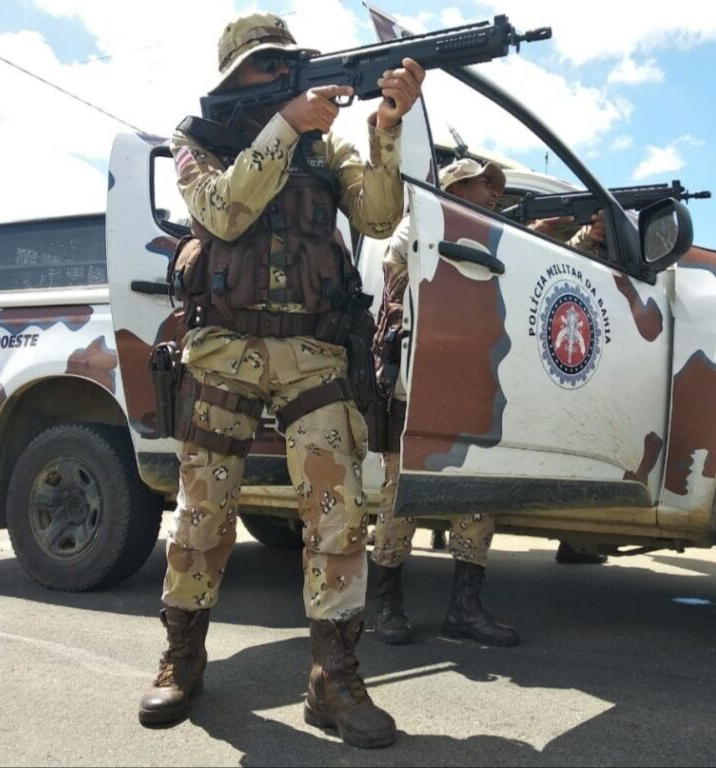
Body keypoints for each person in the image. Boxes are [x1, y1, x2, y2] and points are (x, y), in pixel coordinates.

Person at [137, 13, 424, 750]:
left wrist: (389, 124)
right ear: (235, 79)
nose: (279, 78)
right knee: (202, 516)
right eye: (266, 69)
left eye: (285, 66)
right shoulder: (198, 140)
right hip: (224, 351)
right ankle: (183, 655)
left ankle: (333, 677)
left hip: (313, 353)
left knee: (340, 516)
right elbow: (221, 213)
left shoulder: (326, 144)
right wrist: (285, 124)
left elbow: (382, 215)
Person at [370, 158, 521, 647]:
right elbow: (398, 275)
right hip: (414, 378)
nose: (494, 193)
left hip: (469, 378)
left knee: (475, 495)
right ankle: (388, 605)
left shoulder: (494, 234)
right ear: (455, 186)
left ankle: (464, 608)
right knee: (400, 495)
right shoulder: (418, 225)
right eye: (484, 185)